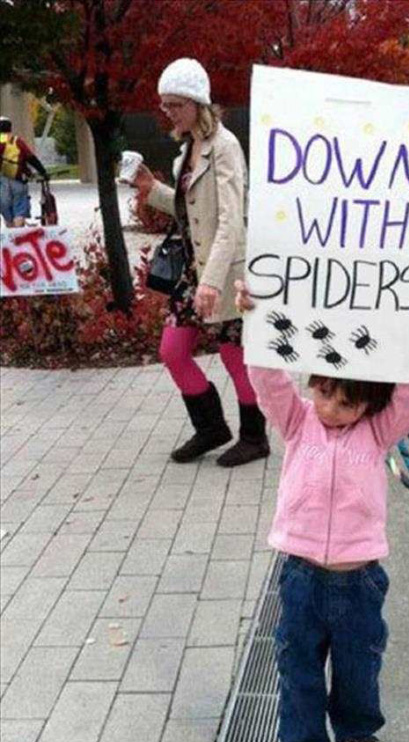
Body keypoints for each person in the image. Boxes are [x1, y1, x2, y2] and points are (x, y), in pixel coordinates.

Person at [235, 279, 409, 742]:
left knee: (359, 665)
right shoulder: (297, 421)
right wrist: (254, 320)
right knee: (297, 666)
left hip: (359, 578)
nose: (330, 408)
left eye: (346, 402)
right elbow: (267, 380)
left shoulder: (377, 432)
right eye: (324, 392)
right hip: (301, 573)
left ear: (369, 405)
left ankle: (355, 735)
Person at [133, 58, 269, 467]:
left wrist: (211, 282)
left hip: (224, 271)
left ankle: (254, 437)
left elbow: (231, 220)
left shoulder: (225, 146)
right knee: (173, 350)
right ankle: (211, 427)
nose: (169, 113)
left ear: (197, 103)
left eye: (176, 104)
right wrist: (152, 188)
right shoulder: (187, 149)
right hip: (194, 272)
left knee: (232, 354)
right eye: (165, 105)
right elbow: (190, 211)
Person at [0, 116, 49, 228]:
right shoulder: (17, 141)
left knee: (6, 212)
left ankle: (11, 237)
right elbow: (31, 158)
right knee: (20, 208)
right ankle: (19, 235)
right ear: (10, 128)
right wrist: (43, 172)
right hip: (18, 179)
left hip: (1, 182)